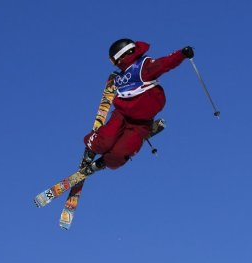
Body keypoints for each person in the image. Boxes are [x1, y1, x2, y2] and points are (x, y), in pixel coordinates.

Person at [83, 39, 194, 172]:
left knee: (119, 153)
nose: (115, 64)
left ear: (123, 55)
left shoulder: (143, 67)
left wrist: (181, 54)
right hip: (121, 115)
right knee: (105, 141)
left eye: (114, 60)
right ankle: (92, 147)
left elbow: (164, 63)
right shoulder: (120, 76)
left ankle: (105, 162)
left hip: (140, 124)